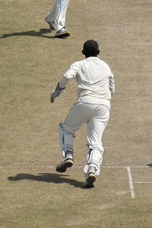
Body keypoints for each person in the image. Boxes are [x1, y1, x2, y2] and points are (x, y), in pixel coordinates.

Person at [49, 40, 115, 188]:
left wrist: (55, 94)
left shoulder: (79, 64)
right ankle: (92, 168)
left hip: (85, 102)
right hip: (104, 105)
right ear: (98, 52)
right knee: (96, 141)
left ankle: (68, 154)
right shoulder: (105, 66)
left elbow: (66, 77)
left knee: (67, 128)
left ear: (83, 52)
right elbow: (112, 88)